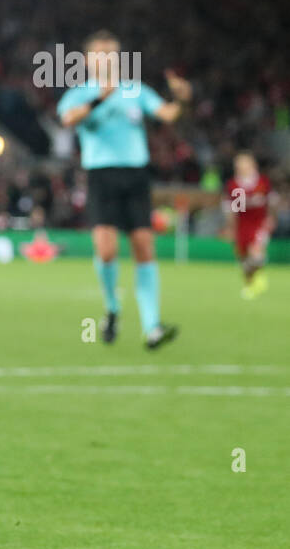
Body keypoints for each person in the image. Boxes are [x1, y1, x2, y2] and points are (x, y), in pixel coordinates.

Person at [56, 30, 191, 349]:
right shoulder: (79, 93)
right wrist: (101, 97)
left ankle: (152, 326)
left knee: (144, 246)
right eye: (100, 53)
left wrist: (182, 97)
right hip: (102, 175)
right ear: (88, 61)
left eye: (112, 53)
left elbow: (167, 114)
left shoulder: (135, 91)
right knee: (107, 251)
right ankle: (112, 309)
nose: (107, 59)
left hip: (135, 176)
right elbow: (67, 120)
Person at [224, 151, 275, 299]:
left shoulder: (262, 182)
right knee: (244, 260)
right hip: (242, 225)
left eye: (243, 164)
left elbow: (271, 202)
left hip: (259, 223)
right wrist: (230, 227)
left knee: (256, 253)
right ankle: (250, 284)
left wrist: (271, 218)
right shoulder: (233, 184)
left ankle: (260, 278)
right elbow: (231, 209)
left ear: (252, 165)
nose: (240, 167)